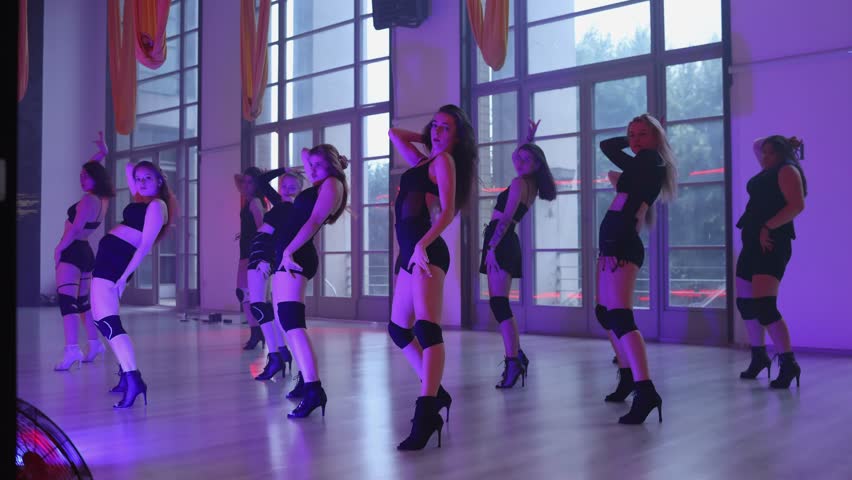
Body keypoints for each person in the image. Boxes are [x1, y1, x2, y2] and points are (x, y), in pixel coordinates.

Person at [387, 104, 477, 450]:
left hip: (426, 252)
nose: (437, 132)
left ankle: (425, 414)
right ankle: (436, 391)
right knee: (399, 329)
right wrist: (428, 136)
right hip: (411, 253)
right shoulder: (425, 161)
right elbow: (395, 134)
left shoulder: (444, 162)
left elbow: (449, 210)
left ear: (458, 137)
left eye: (446, 128)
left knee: (426, 328)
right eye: (435, 126)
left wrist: (423, 244)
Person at [596, 114, 676, 424]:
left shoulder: (649, 160)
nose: (635, 140)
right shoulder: (643, 163)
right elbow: (609, 148)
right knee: (605, 313)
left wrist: (634, 145)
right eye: (632, 135)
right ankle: (628, 376)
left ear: (656, 138)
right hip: (613, 241)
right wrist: (630, 141)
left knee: (619, 315)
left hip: (621, 243)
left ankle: (645, 389)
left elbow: (608, 149)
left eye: (643, 134)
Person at [90, 159, 178, 408]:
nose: (141, 182)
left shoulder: (158, 206)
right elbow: (129, 167)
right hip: (109, 262)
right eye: (139, 179)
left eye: (148, 178)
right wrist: (137, 172)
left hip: (116, 265)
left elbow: (144, 246)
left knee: (108, 322)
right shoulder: (143, 201)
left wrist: (122, 278)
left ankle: (134, 379)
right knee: (101, 319)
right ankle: (125, 374)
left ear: (159, 180)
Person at [271, 144, 348, 418]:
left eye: (318, 165)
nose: (311, 169)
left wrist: (289, 250)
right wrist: (325, 159)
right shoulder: (321, 181)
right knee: (283, 320)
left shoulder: (332, 185)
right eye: (311, 165)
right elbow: (305, 152)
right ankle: (305, 378)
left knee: (292, 323)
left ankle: (314, 389)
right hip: (287, 255)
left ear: (331, 166)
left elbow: (314, 220)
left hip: (297, 255)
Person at [480, 119, 556, 388]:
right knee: (499, 303)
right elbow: (517, 155)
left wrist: (492, 248)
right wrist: (528, 141)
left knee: (499, 304)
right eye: (520, 158)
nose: (519, 161)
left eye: (527, 159)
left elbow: (505, 218)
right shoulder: (531, 184)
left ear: (537, 165)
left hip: (501, 240)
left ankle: (513, 360)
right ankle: (516, 356)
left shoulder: (518, 183)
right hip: (505, 240)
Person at [735, 136, 806, 389]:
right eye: (764, 153)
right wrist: (784, 141)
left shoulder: (787, 170)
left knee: (765, 306)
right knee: (745, 303)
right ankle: (759, 356)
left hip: (772, 242)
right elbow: (756, 144)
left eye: (771, 153)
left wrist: (768, 227)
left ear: (782, 154)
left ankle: (788, 363)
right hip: (752, 242)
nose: (764, 156)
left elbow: (796, 205)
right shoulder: (769, 169)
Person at [53, 132, 114, 370]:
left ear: (95, 179)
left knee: (67, 303)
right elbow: (92, 169)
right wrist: (101, 153)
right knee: (83, 304)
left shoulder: (89, 200)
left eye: (86, 176)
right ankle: (94, 343)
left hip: (72, 251)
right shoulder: (103, 199)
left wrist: (58, 249)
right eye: (81, 175)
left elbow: (76, 228)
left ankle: (72, 350)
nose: (82, 179)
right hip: (86, 253)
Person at [248, 168, 305, 380]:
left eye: (293, 187)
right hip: (259, 253)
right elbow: (261, 181)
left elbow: (280, 237)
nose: (287, 189)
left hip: (263, 256)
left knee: (258, 306)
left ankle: (275, 356)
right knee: (264, 306)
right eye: (284, 185)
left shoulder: (289, 209)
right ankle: (280, 351)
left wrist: (267, 259)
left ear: (299, 190)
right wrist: (284, 170)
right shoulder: (280, 203)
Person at [234, 167, 270, 350]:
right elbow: (236, 179)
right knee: (245, 293)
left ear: (257, 185)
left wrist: (259, 251)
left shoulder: (255, 202)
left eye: (251, 182)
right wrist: (244, 234)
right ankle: (257, 332)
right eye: (245, 182)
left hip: (252, 252)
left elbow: (262, 227)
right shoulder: (250, 200)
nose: (246, 185)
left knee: (247, 293)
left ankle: (258, 332)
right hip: (246, 250)